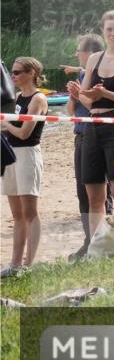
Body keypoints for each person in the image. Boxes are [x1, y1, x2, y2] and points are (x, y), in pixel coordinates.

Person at [66, 10, 114, 253]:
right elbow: (88, 100)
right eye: (109, 29)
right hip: (92, 126)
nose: (113, 33)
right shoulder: (94, 60)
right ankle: (96, 248)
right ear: (103, 30)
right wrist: (78, 94)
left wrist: (106, 94)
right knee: (93, 191)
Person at [1, 57, 48, 278]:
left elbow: (24, 133)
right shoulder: (17, 97)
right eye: (12, 72)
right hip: (11, 154)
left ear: (31, 73)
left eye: (18, 72)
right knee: (17, 214)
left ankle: (29, 264)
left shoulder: (38, 98)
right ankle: (15, 263)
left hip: (27, 153)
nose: (14, 76)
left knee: (30, 212)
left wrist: (6, 123)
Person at [64, 33, 105, 261]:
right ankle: (89, 240)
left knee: (97, 194)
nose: (76, 54)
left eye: (78, 50)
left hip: (96, 135)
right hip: (79, 135)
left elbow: (99, 109)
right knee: (82, 192)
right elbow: (71, 111)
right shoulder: (82, 74)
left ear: (89, 53)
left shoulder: (103, 75)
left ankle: (99, 242)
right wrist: (73, 96)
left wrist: (80, 94)